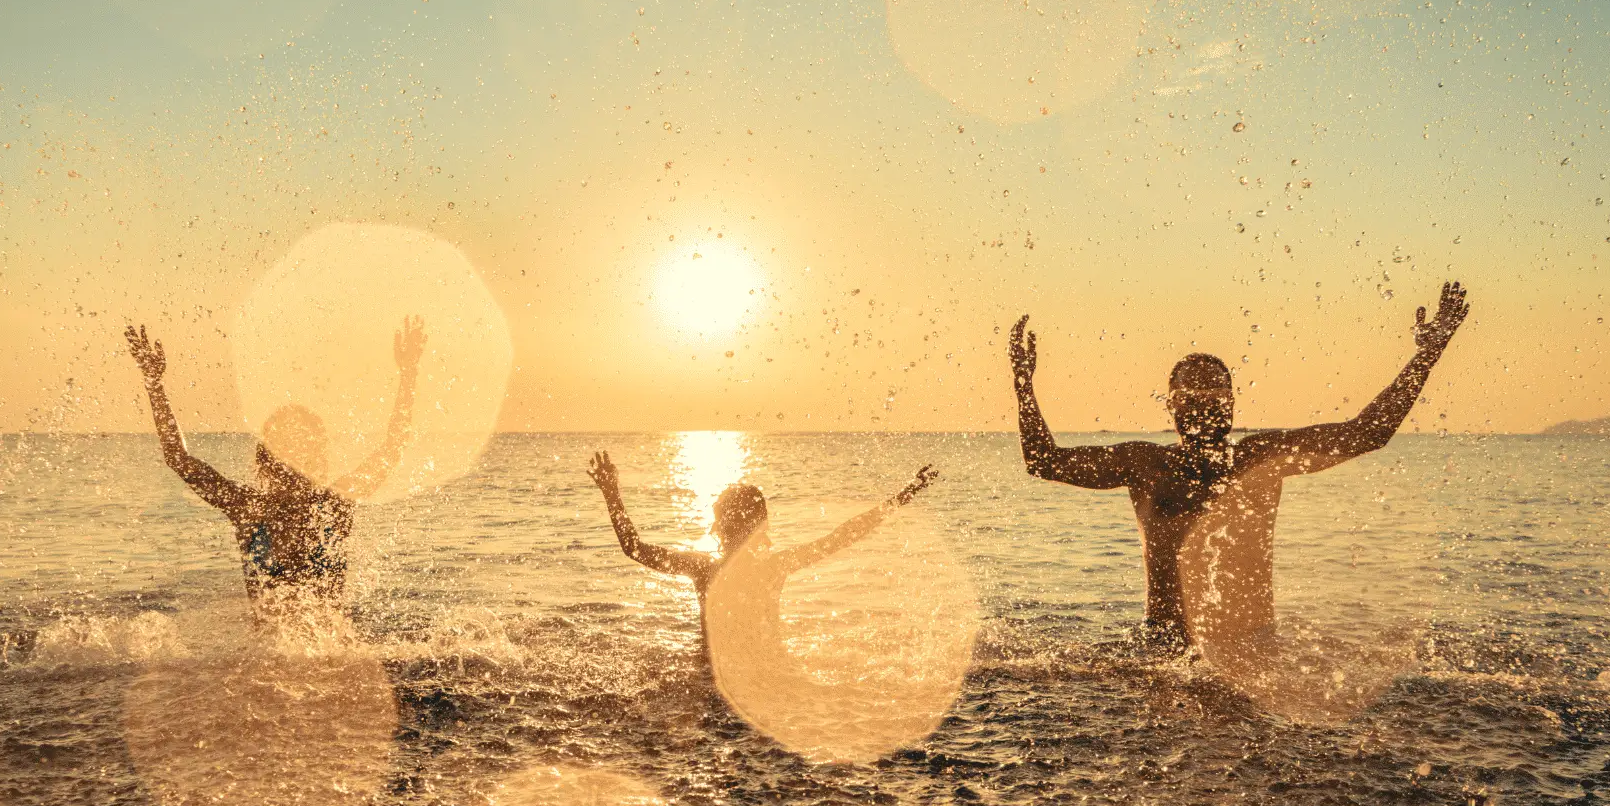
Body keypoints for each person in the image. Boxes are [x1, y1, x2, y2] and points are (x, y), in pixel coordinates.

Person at [1007, 282, 1470, 651]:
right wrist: (1023, 387)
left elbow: (1366, 433)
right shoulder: (1147, 465)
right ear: (1171, 405)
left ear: (1232, 404)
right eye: (1193, 397)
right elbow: (1045, 462)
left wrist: (1428, 352)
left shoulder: (1257, 458)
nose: (1205, 406)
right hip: (1165, 647)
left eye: (1217, 396)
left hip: (1251, 644)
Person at [124, 318, 427, 604]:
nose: (293, 464)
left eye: (301, 452)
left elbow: (393, 447)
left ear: (316, 456)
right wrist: (154, 385)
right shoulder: (249, 507)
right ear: (267, 460)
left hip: (330, 652)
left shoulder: (331, 504)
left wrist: (410, 375)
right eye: (285, 452)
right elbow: (178, 458)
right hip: (283, 653)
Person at [584, 451, 938, 662]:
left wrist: (612, 494)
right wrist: (904, 494)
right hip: (769, 671)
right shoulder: (774, 567)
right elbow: (841, 536)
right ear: (761, 525)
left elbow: (634, 548)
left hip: (713, 676)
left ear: (718, 525)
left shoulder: (704, 568)